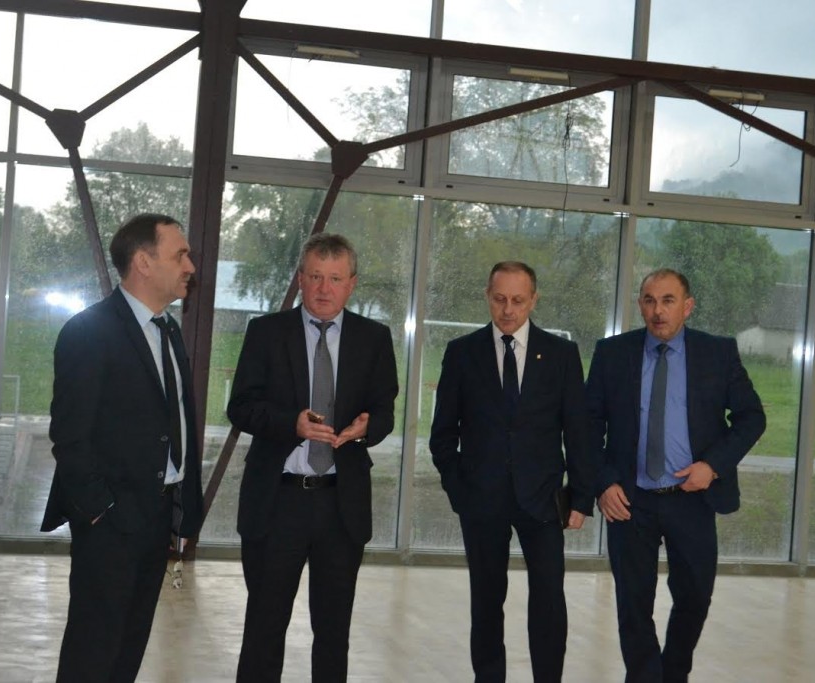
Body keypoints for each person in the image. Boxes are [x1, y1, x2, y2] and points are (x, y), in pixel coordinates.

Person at [41, 213, 204, 683]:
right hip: (110, 524)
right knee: (93, 652)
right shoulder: (89, 330)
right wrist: (101, 512)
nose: (190, 266)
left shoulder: (168, 330)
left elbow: (176, 424)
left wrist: (182, 509)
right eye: (180, 255)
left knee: (128, 649)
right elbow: (70, 436)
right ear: (143, 263)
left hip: (157, 517)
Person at [228, 232, 398, 682]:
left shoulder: (374, 338)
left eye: (335, 279)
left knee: (333, 632)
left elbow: (385, 410)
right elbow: (240, 407)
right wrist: (293, 424)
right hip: (277, 501)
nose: (324, 289)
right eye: (316, 277)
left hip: (341, 504)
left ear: (351, 284)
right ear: (301, 279)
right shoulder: (266, 332)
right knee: (264, 629)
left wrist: (368, 427)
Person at [586, 268, 766, 683]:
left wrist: (713, 466)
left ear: (688, 306)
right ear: (640, 305)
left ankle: (674, 672)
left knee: (695, 596)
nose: (658, 311)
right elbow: (587, 424)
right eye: (649, 301)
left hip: (692, 498)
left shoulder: (717, 353)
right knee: (633, 605)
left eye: (668, 301)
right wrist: (603, 481)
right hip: (630, 501)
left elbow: (751, 417)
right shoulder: (613, 354)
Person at [429, 261, 595, 683]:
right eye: (500, 299)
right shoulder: (462, 353)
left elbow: (578, 431)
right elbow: (442, 435)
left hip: (542, 499)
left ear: (534, 300)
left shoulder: (560, 354)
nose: (508, 310)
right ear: (487, 296)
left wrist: (581, 497)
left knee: (549, 600)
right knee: (486, 601)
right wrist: (459, 492)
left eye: (518, 300)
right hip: (481, 500)